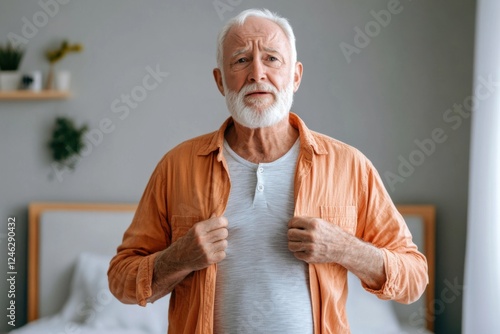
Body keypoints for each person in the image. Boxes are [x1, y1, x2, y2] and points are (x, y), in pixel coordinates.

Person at [108, 8, 428, 334]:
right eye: (241, 60)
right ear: (220, 80)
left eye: (272, 59)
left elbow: (413, 279)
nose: (257, 74)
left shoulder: (350, 165)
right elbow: (121, 281)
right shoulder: (176, 166)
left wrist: (345, 249)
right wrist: (180, 257)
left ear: (296, 76)